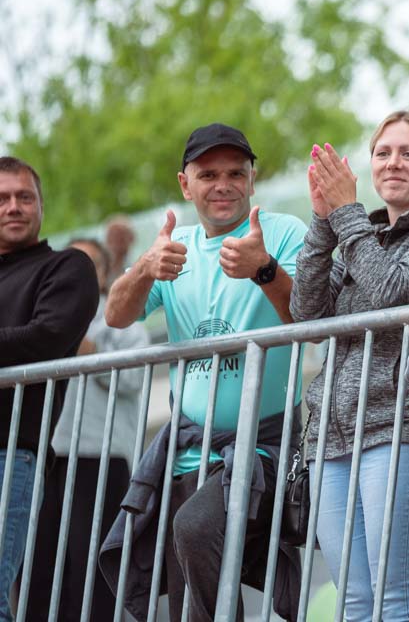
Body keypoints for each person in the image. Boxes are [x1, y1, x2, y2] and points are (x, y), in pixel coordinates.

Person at [99, 123, 306, 621]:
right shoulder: (174, 245)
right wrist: (144, 268)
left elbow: (308, 317)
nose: (223, 185)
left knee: (194, 528)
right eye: (208, 175)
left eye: (235, 173)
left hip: (263, 448)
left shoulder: (281, 232)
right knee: (185, 597)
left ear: (252, 178)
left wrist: (264, 268)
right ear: (185, 184)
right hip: (187, 451)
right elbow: (116, 315)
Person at [289, 111, 409, 619]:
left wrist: (347, 216)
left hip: (396, 428)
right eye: (383, 153)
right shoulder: (362, 234)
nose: (393, 163)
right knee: (353, 598)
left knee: (394, 594)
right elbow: (307, 312)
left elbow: (394, 294)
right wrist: (323, 222)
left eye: (408, 153)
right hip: (330, 436)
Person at [24, 238, 149, 622]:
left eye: (91, 263)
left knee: (91, 565)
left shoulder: (123, 321)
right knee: (39, 564)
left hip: (102, 457)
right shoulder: (45, 317)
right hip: (48, 456)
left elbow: (134, 378)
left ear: (105, 272)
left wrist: (90, 350)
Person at [0, 157, 99, 622]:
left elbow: (48, 337)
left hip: (10, 454)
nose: (13, 206)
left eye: (25, 197)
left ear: (41, 205)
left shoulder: (67, 267)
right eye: (2, 198)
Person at [104, 215, 136, 290]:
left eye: (121, 234)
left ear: (132, 238)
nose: (116, 238)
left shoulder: (137, 266)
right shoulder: (98, 266)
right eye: (112, 234)